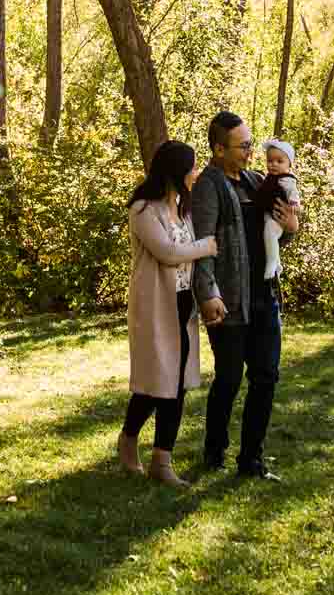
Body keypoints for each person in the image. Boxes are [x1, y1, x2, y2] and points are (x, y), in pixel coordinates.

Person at [191, 110, 301, 480]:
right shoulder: (208, 187)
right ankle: (214, 451)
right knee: (229, 378)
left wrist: (291, 226)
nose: (251, 152)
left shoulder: (257, 181)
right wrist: (208, 293)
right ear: (219, 149)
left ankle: (252, 460)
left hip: (264, 294)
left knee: (266, 376)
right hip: (229, 298)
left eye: (251, 144)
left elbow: (282, 228)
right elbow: (202, 244)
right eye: (243, 146)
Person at [119, 139, 220, 488]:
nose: (195, 173)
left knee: (176, 385)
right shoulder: (143, 210)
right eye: (191, 167)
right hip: (154, 306)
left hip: (182, 303)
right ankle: (128, 438)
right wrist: (205, 246)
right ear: (175, 171)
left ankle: (162, 461)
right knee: (155, 383)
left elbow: (183, 254)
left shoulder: (182, 208)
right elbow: (167, 252)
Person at [254, 139, 302, 282]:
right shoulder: (267, 178)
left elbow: (293, 192)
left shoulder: (286, 179)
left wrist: (294, 204)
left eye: (279, 161)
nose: (273, 164)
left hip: (278, 217)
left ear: (289, 164)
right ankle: (277, 263)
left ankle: (272, 263)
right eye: (270, 161)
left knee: (270, 231)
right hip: (269, 214)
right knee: (270, 237)